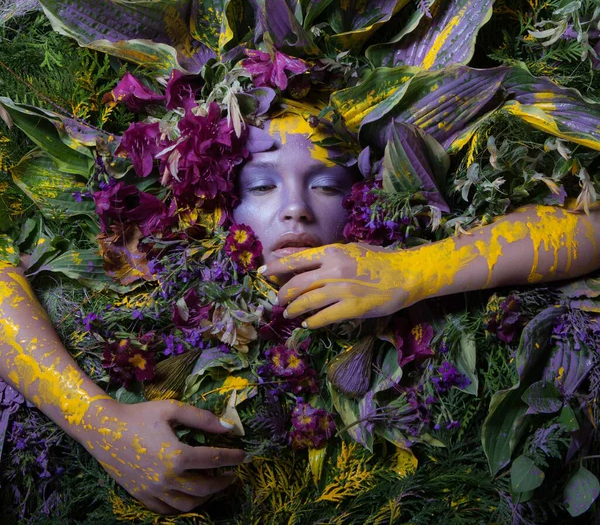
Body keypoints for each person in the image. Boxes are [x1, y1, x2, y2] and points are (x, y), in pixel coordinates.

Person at [1, 111, 599, 515]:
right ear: (215, 205)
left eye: (327, 185)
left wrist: (419, 270)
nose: (294, 212)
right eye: (260, 187)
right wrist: (96, 421)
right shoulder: (149, 281)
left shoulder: (413, 290)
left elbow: (588, 221)